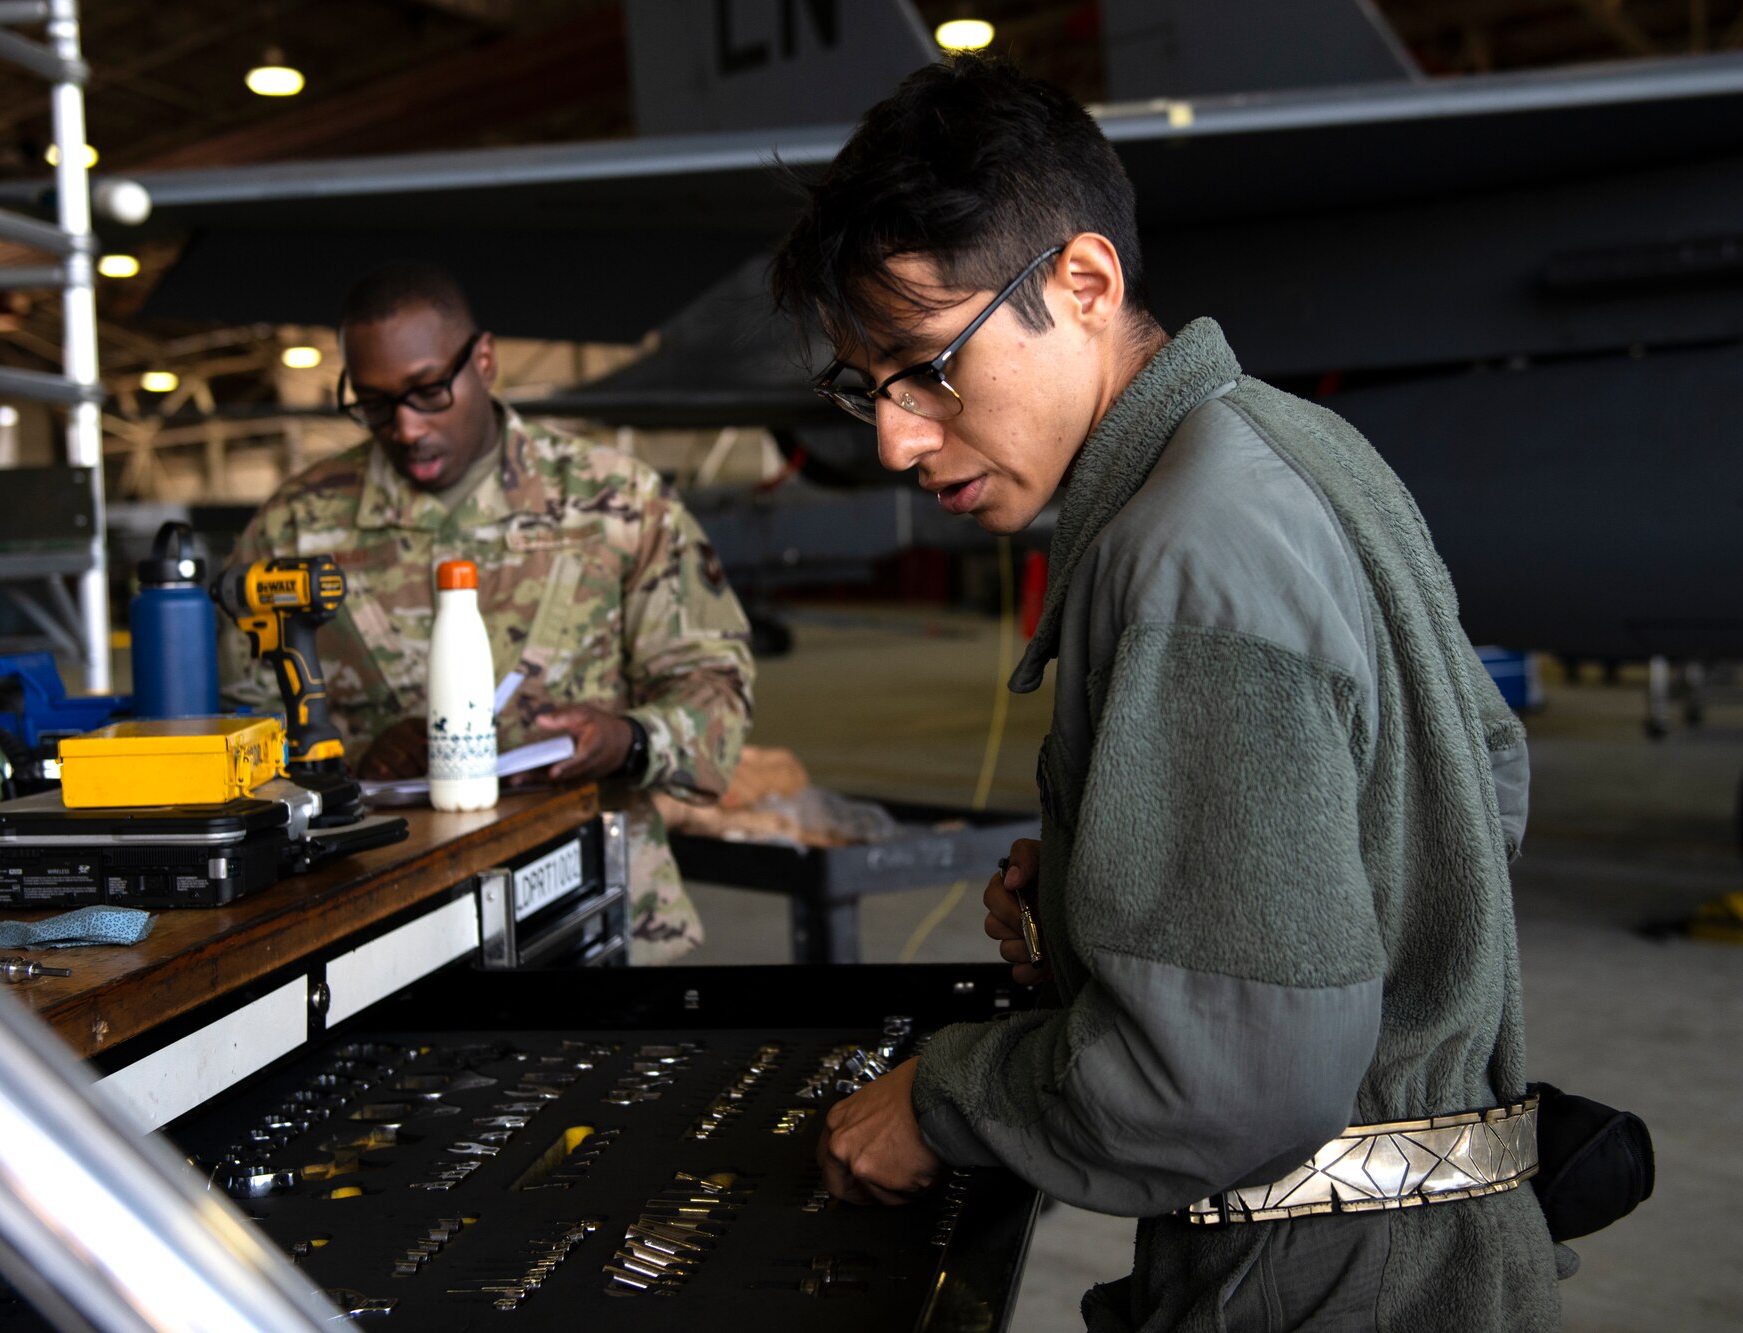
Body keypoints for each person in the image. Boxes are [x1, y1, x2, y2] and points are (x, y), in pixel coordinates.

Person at [774, 57, 1559, 1332]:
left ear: (1082, 282)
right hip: (1436, 1261)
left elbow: (1224, 1080)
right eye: (866, 389)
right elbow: (1480, 775)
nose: (896, 439)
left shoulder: (1183, 548)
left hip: (1323, 1291)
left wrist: (942, 1098)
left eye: (925, 367)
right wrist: (1142, 877)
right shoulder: (1291, 443)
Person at [219, 262, 755, 964]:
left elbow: (717, 689)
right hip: (385, 935)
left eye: (428, 391)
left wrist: (625, 739)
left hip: (602, 914)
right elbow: (232, 733)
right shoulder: (295, 527)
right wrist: (350, 767)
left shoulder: (617, 503)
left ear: (485, 361)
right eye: (376, 404)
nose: (406, 428)